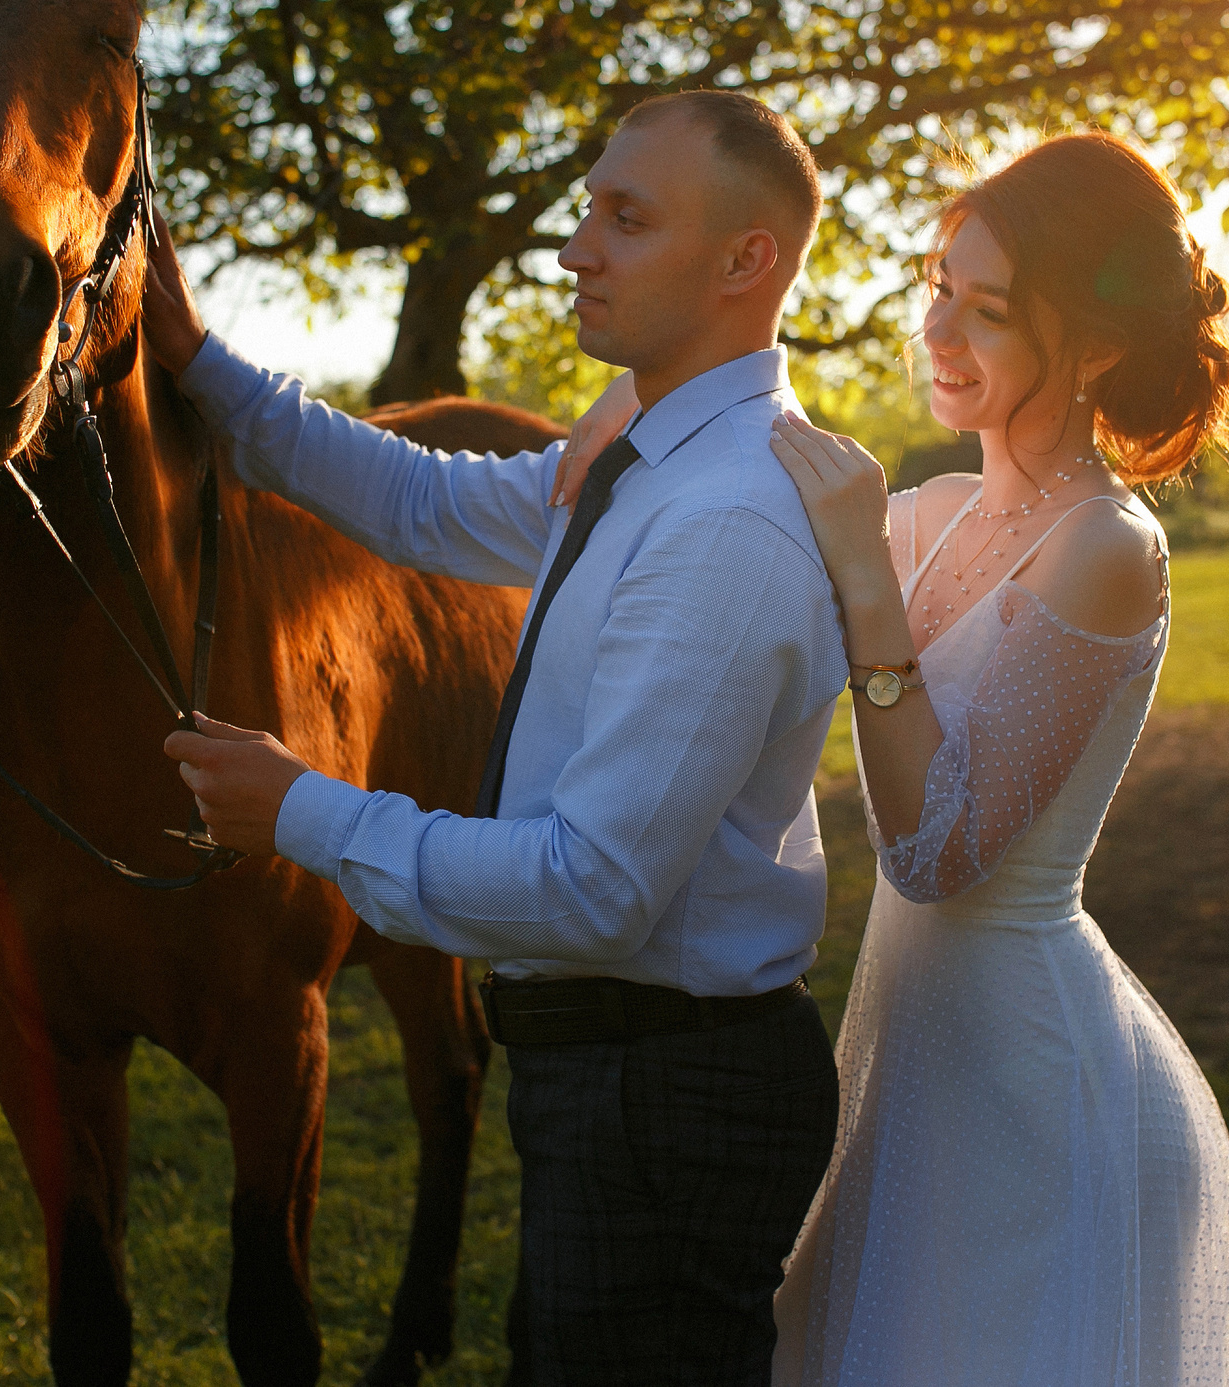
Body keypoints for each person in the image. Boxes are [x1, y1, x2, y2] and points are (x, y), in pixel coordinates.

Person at [150, 90, 850, 1386]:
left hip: (666, 1089)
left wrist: (297, 808)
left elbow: (590, 887)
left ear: (748, 260)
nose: (576, 246)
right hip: (615, 1072)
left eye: (625, 217)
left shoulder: (723, 519)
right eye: (589, 206)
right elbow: (420, 500)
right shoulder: (642, 454)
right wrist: (197, 360)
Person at [729, 131, 1229, 1381]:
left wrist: (865, 583)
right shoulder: (921, 516)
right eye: (938, 289)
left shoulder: (1103, 549)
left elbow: (933, 852)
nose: (940, 333)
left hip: (1031, 1095)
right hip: (914, 1056)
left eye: (990, 309)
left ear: (1102, 345)